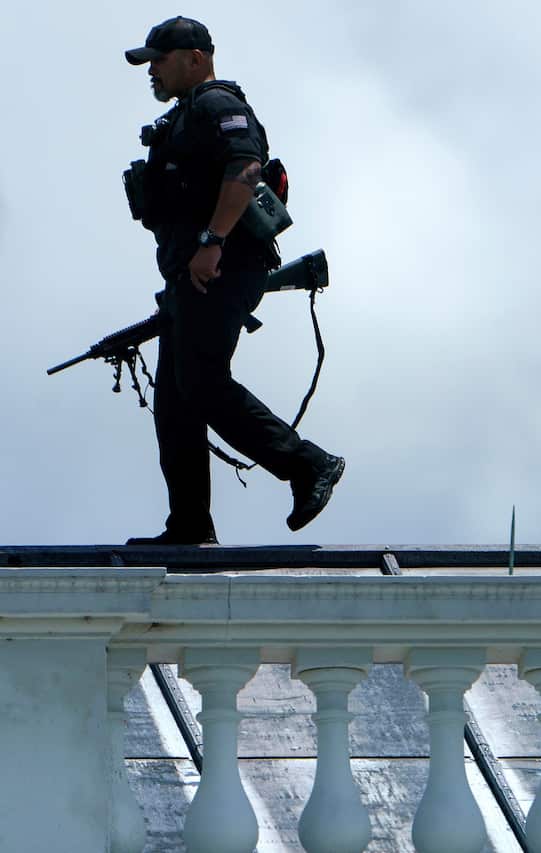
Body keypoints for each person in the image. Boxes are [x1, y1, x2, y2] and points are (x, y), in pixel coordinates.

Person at [123, 16, 343, 545]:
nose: (151, 70)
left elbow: (245, 167)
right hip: (193, 279)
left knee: (200, 382)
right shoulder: (182, 118)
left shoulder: (216, 104)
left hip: (222, 267)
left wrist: (212, 242)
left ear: (195, 58)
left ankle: (307, 464)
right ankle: (189, 527)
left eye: (159, 60)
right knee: (176, 403)